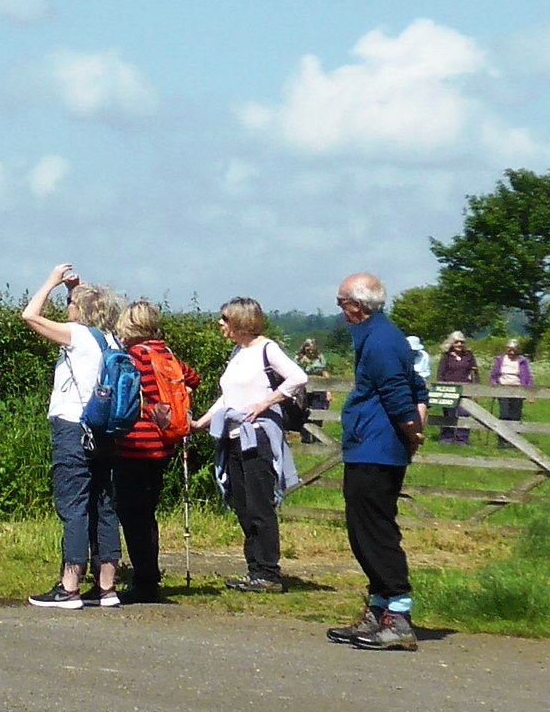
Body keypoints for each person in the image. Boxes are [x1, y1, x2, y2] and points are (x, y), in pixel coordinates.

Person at [329, 272, 429, 651]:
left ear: (357, 305)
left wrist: (412, 430)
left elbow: (400, 391)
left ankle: (398, 615)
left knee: (376, 531)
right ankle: (378, 608)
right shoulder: (378, 337)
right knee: (362, 531)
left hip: (377, 449)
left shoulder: (382, 341)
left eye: (342, 303)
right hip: (366, 446)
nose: (340, 311)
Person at [23, 264, 126, 610]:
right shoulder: (112, 340)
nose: (67, 307)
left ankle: (69, 587)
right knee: (105, 506)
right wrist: (77, 289)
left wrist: (51, 282)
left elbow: (30, 316)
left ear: (80, 311)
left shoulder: (77, 336)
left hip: (73, 430)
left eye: (71, 303)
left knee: (74, 506)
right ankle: (107, 587)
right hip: (106, 433)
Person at [190, 296, 305, 595]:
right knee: (241, 503)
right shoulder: (237, 353)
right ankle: (255, 569)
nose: (220, 324)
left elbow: (298, 377)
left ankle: (268, 572)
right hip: (233, 437)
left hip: (258, 437)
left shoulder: (267, 349)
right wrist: (203, 421)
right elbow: (227, 396)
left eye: (225, 319)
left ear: (240, 321)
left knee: (259, 505)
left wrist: (265, 403)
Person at [112, 300, 199, 604]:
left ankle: (145, 581)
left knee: (130, 512)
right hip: (163, 445)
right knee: (146, 513)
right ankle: (148, 576)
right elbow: (194, 378)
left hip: (135, 443)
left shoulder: (132, 357)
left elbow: (119, 396)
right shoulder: (167, 355)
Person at [435, 331, 478, 444]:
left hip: (466, 388)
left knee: (464, 413)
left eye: (461, 342)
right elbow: (441, 373)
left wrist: (476, 388)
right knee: (449, 413)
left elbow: (475, 372)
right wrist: (440, 388)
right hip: (449, 389)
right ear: (452, 343)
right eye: (456, 342)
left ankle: (462, 439)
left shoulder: (469, 355)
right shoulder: (446, 356)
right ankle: (447, 437)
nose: (459, 344)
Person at [490, 338, 534, 447]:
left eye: (514, 349)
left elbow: (527, 378)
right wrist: (494, 386)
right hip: (503, 389)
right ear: (506, 349)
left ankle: (514, 442)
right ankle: (502, 440)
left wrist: (530, 394)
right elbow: (494, 375)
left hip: (518, 390)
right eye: (510, 349)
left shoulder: (522, 361)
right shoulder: (501, 360)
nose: (512, 352)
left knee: (515, 415)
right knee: (504, 414)